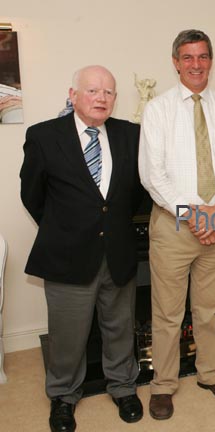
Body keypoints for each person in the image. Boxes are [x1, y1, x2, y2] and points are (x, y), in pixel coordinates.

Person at [20, 65, 144, 432]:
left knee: (120, 327)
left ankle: (123, 387)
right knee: (67, 334)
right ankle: (63, 397)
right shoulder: (44, 136)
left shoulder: (131, 135)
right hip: (67, 254)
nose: (101, 98)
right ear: (73, 95)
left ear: (115, 99)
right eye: (92, 90)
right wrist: (67, 228)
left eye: (108, 92)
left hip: (118, 253)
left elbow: (137, 194)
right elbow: (33, 196)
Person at [139, 29, 215, 420]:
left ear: (211, 61)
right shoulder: (158, 110)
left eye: (202, 56)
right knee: (167, 313)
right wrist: (194, 214)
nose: (196, 64)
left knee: (209, 309)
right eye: (188, 57)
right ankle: (163, 385)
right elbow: (152, 176)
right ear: (175, 62)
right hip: (173, 226)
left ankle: (211, 373)